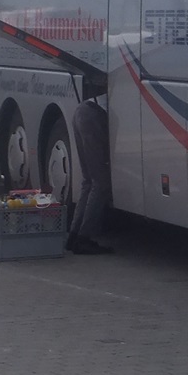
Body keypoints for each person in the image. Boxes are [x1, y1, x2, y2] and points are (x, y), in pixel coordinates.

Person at [66, 96, 113, 255]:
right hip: (93, 116)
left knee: (88, 180)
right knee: (101, 182)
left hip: (82, 110)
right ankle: (83, 238)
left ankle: (73, 236)